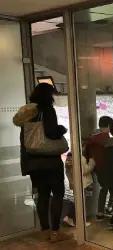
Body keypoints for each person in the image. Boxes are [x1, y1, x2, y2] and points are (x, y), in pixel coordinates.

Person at [12, 83, 69, 242]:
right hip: (49, 161)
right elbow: (51, 132)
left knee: (42, 196)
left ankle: (44, 231)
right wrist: (62, 129)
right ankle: (55, 232)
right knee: (57, 194)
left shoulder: (26, 112)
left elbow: (25, 139)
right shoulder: (47, 110)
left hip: (33, 161)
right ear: (47, 95)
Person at [86, 116, 113, 219]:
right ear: (109, 126)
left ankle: (100, 211)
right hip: (105, 167)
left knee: (104, 188)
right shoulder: (105, 138)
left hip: (94, 167)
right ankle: (108, 208)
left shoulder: (92, 136)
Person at [63, 143, 95, 226]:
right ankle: (81, 222)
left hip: (75, 183)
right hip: (83, 183)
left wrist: (71, 182)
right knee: (81, 204)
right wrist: (92, 163)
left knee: (77, 202)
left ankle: (70, 218)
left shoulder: (69, 157)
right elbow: (85, 170)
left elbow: (67, 172)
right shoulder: (80, 158)